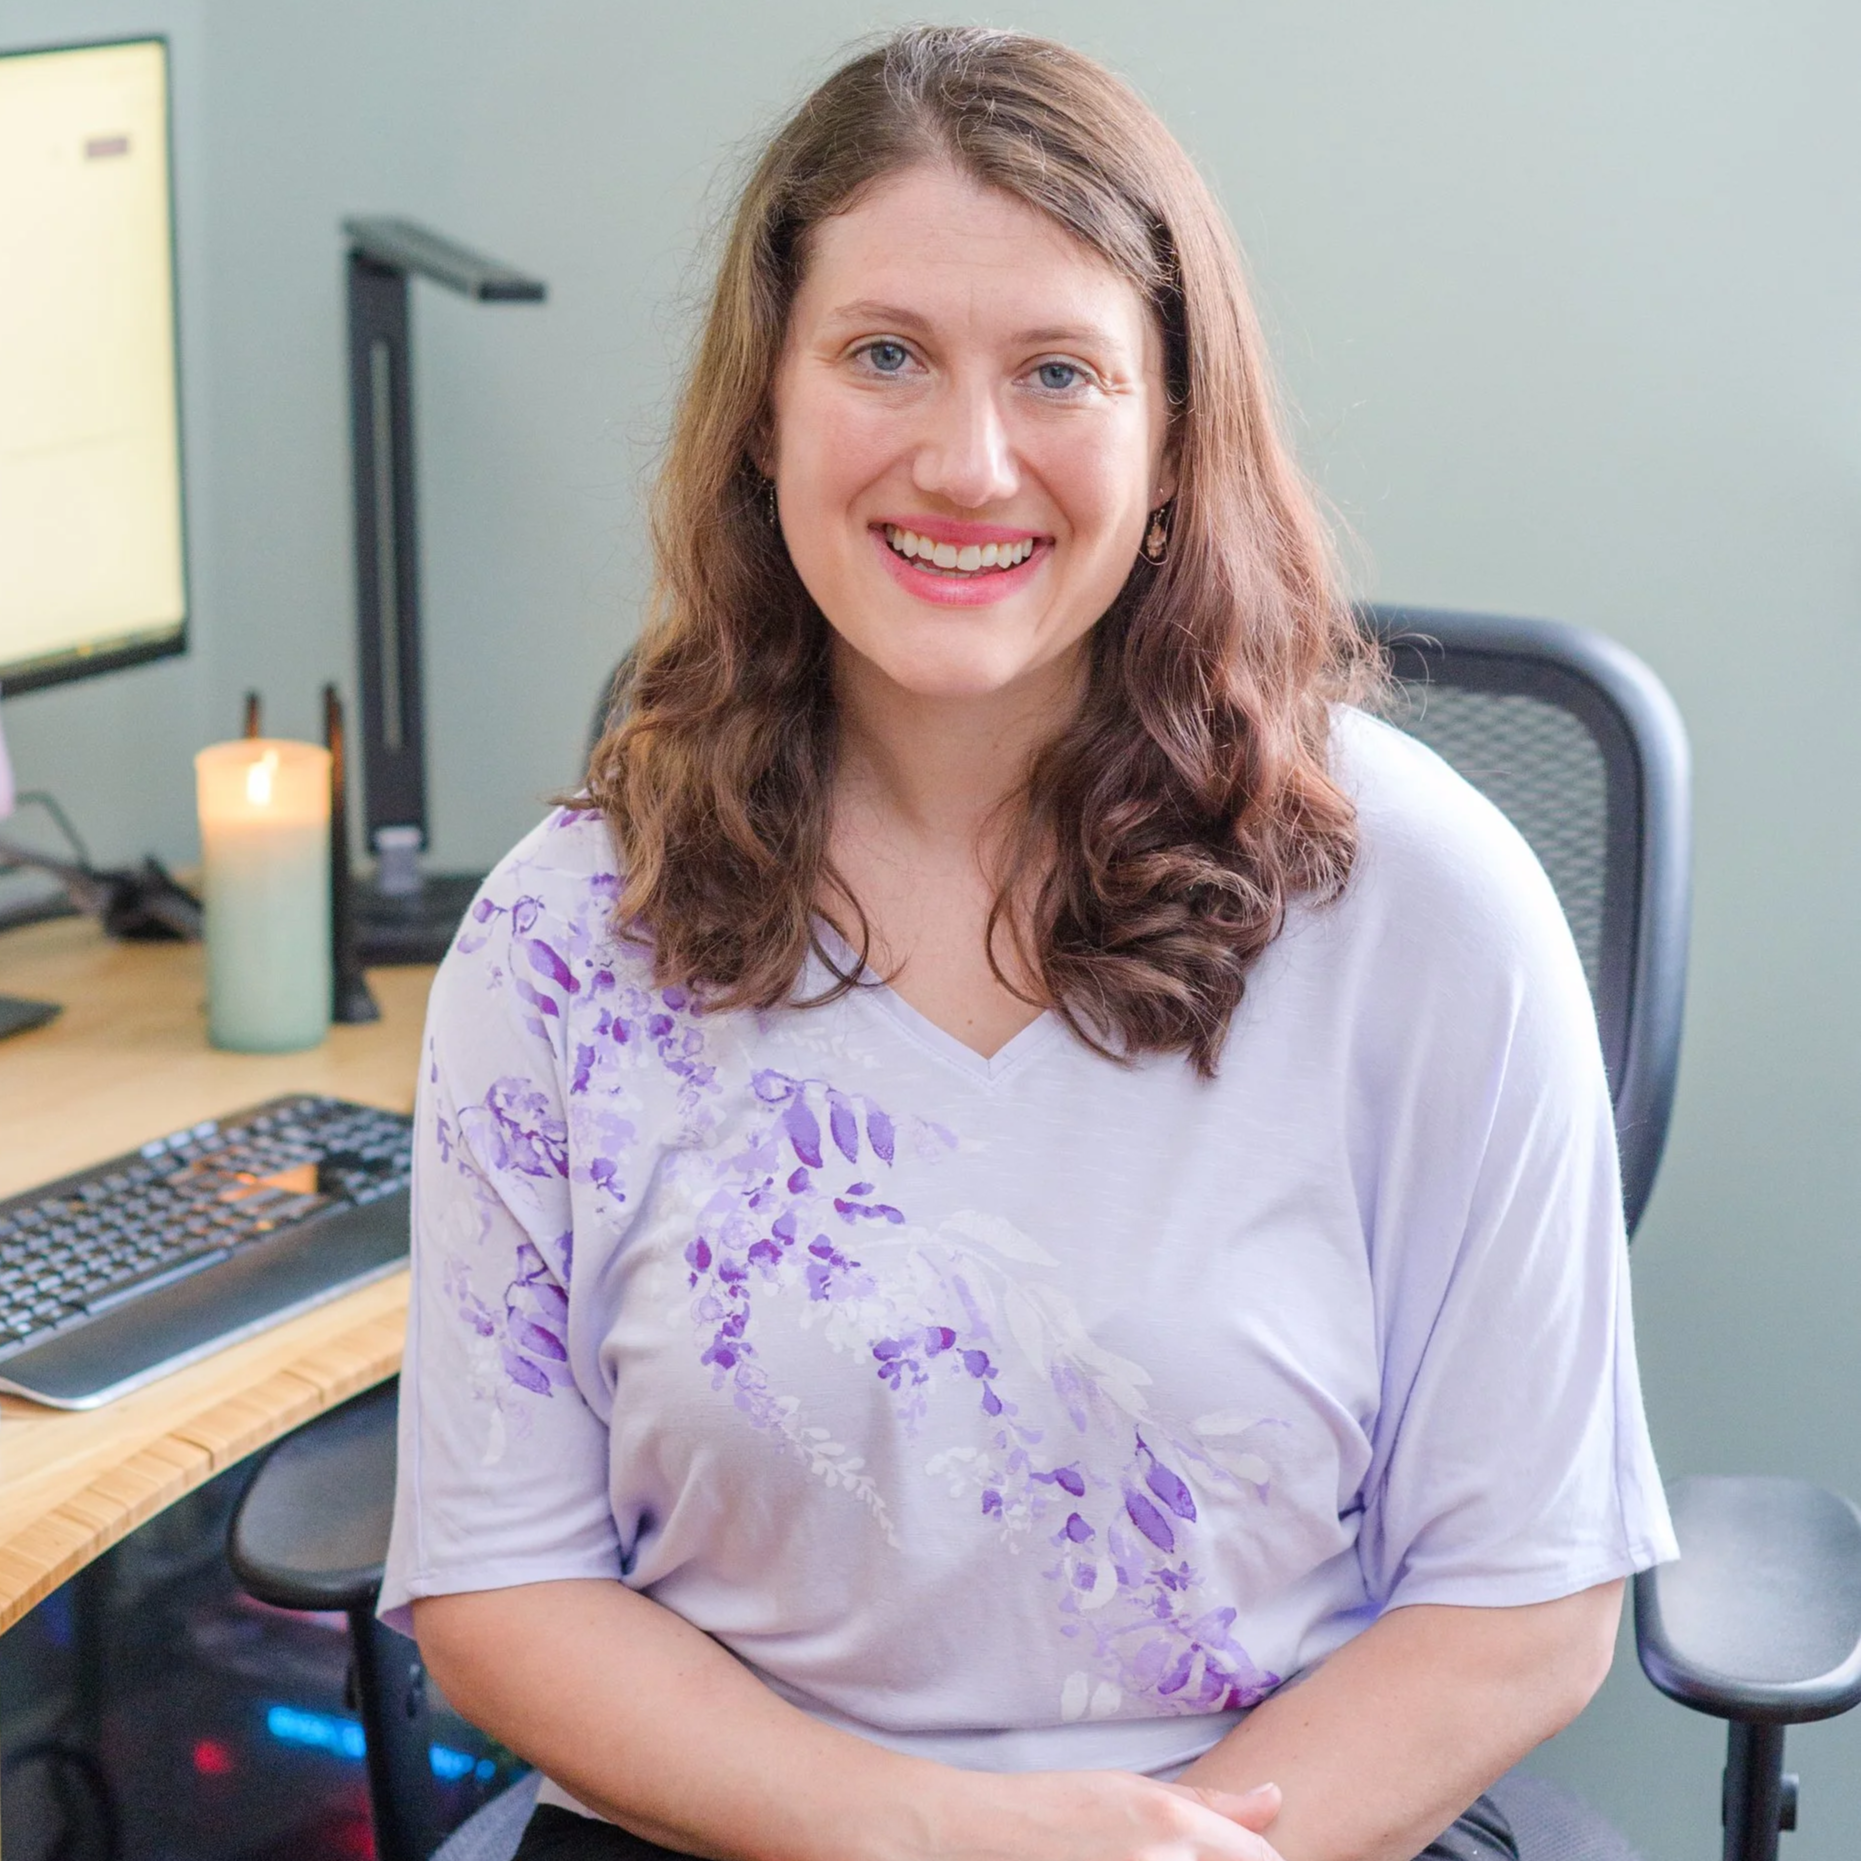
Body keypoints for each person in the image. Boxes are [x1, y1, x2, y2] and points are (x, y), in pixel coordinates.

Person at [380, 27, 1675, 1861]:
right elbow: (503, 1587)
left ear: (1169, 445)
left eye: (1059, 370)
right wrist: (929, 1839)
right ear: (766, 412)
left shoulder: (1428, 911)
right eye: (884, 354)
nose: (969, 460)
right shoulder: (562, 938)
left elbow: (1523, 1608)